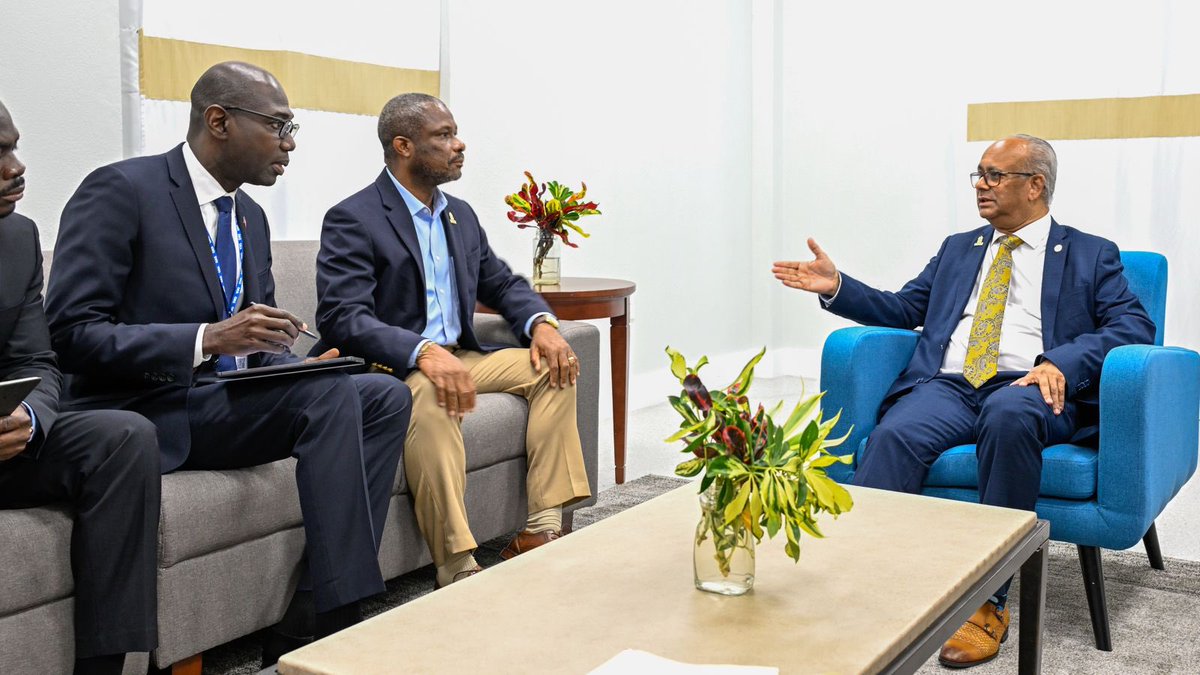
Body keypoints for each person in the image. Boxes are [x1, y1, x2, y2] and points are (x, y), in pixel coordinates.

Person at [44, 63, 411, 663]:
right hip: (147, 408)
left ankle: (309, 610)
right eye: (278, 125)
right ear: (219, 121)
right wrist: (206, 339)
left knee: (382, 395)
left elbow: (255, 341)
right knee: (328, 397)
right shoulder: (121, 190)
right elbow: (72, 334)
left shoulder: (249, 217)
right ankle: (341, 623)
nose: (290, 143)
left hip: (221, 403)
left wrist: (296, 364)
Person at [772, 135, 1154, 668]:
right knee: (895, 434)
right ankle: (861, 579)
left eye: (995, 175)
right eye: (979, 174)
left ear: (1035, 185)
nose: (981, 185)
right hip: (950, 385)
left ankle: (987, 600)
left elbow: (1133, 325)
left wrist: (1061, 362)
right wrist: (838, 287)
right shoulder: (960, 248)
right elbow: (905, 308)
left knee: (1008, 417)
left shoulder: (1090, 253)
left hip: (1028, 387)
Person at [315, 93, 591, 588]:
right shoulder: (354, 217)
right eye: (443, 136)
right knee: (437, 396)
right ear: (403, 146)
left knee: (554, 366)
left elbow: (501, 284)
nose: (459, 144)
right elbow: (343, 317)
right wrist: (421, 351)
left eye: (455, 133)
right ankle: (457, 564)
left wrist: (542, 325)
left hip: (461, 355)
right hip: (393, 368)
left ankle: (541, 528)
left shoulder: (457, 214)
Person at [0, 101, 160, 675]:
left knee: (124, 438)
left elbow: (38, 361)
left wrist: (29, 416)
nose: (16, 167)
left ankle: (105, 668)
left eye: (13, 147)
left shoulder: (17, 238)